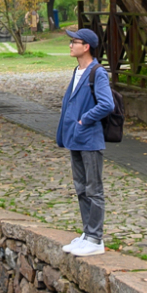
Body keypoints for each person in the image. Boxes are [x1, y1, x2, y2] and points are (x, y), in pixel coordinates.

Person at [55, 27, 115, 256]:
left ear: (86, 46)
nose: (70, 45)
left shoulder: (96, 72)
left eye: (75, 42)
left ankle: (95, 238)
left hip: (89, 138)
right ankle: (87, 233)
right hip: (76, 138)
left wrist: (83, 120)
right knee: (81, 188)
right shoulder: (77, 70)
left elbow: (106, 104)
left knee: (94, 189)